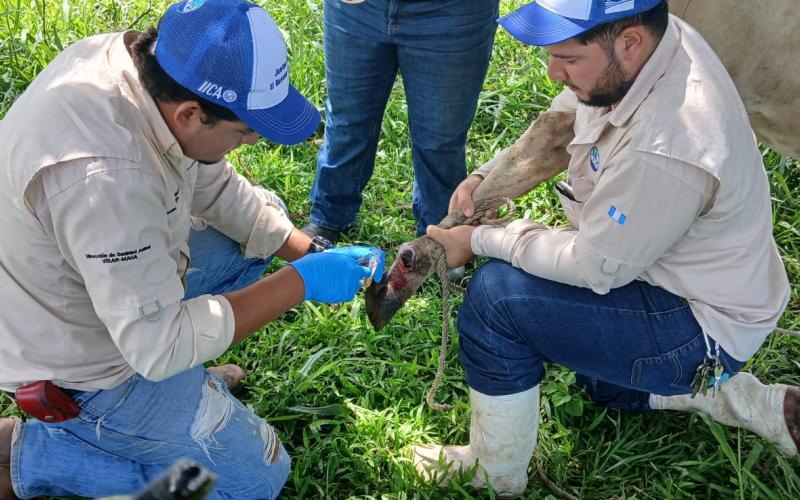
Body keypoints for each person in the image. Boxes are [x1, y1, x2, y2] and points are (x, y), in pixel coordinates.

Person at [411, 0, 798, 495]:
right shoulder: (657, 45)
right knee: (597, 376)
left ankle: (495, 472)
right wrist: (485, 180)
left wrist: (481, 239)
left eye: (569, 58)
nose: (553, 73)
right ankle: (734, 400)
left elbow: (595, 266)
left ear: (629, 42)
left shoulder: (667, 145)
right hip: (681, 280)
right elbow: (568, 117)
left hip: (700, 324)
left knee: (497, 297)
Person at [0, 1, 383, 498]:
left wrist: (309, 250)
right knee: (252, 481)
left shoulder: (141, 69)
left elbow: (212, 183)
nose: (250, 141)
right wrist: (300, 282)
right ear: (190, 114)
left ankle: (175, 402)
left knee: (256, 231)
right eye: (243, 130)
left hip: (80, 282)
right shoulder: (107, 180)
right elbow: (157, 348)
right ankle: (30, 456)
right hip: (77, 358)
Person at [302, 0, 500, 244]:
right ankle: (328, 215)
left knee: (439, 139)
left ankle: (438, 232)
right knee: (347, 121)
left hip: (452, 11)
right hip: (357, 11)